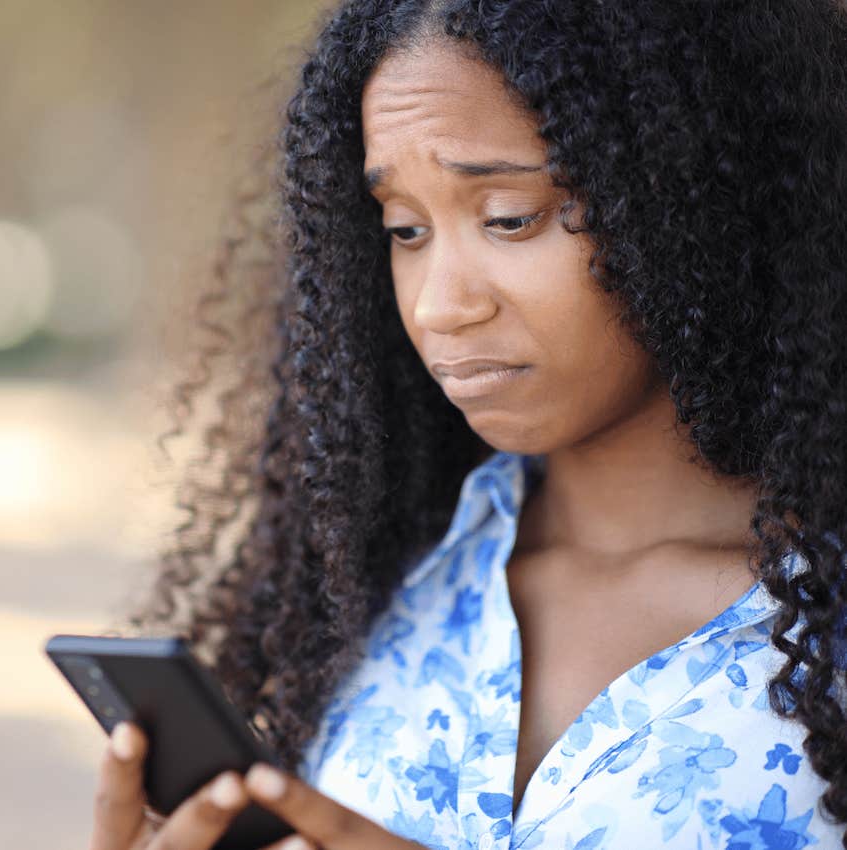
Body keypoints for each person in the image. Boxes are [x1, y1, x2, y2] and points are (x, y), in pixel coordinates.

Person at [87, 0, 847, 848]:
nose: (440, 306)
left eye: (508, 218)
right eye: (406, 230)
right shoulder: (386, 582)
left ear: (701, 199)